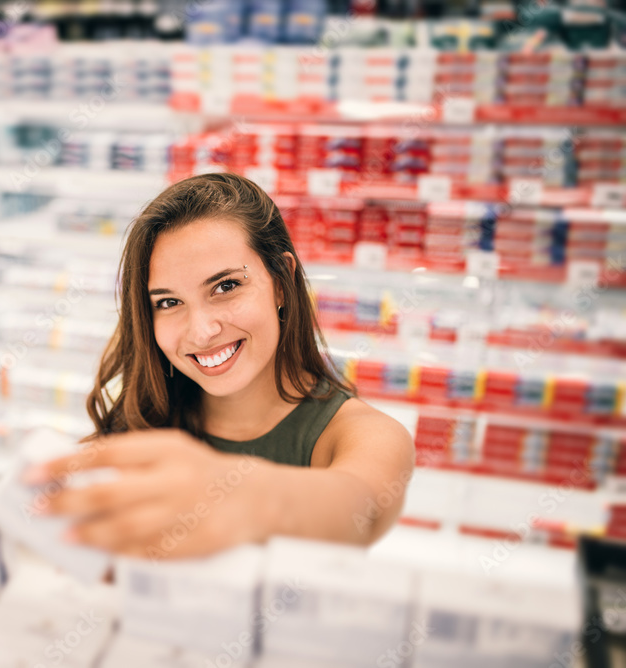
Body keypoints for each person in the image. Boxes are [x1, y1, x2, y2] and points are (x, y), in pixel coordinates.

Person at [23, 172, 415, 559]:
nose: (202, 331)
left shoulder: (364, 434)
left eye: (226, 286)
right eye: (168, 302)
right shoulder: (142, 423)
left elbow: (362, 511)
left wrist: (237, 496)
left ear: (281, 281)